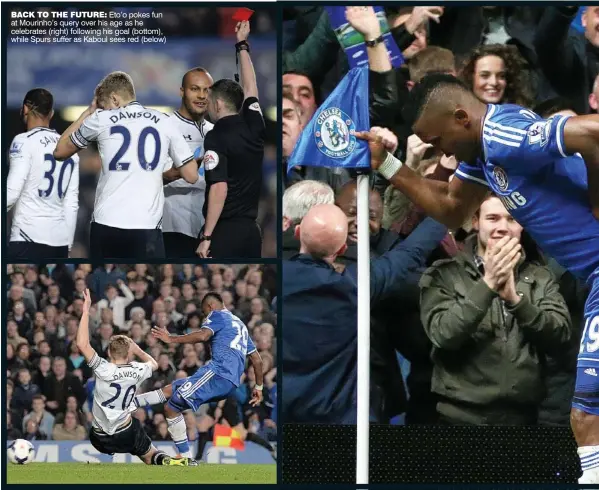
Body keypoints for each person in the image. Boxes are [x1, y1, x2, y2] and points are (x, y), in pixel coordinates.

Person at [358, 73, 599, 483]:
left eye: (436, 141)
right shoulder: (482, 156)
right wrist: (391, 166)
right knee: (587, 419)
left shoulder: (505, 135)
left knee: (586, 417)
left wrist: (597, 200)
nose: (437, 151)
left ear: (460, 118)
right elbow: (452, 208)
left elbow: (593, 133)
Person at [282, 203, 446, 423]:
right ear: (341, 250)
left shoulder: (279, 278)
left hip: (288, 414)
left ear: (298, 232)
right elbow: (411, 252)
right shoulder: (353, 285)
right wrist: (448, 208)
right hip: (342, 419)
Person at [420, 195, 571, 425]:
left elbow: (560, 337)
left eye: (511, 219)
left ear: (521, 225)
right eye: (493, 218)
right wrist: (488, 284)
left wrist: (515, 301)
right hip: (459, 418)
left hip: (523, 418)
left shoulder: (540, 276)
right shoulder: (445, 274)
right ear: (475, 222)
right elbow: (444, 335)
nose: (502, 227)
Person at [53, 71, 199, 259]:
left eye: (103, 106)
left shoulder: (101, 119)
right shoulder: (165, 121)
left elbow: (59, 151)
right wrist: (156, 175)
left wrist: (88, 112)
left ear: (114, 99)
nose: (102, 111)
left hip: (106, 224)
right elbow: (191, 175)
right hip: (146, 226)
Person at [134, 292, 264, 462]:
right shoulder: (240, 326)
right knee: (170, 389)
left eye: (204, 313)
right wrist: (259, 388)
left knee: (171, 408)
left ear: (210, 306)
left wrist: (171, 339)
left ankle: (185, 457)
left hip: (217, 373)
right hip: (230, 382)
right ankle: (130, 403)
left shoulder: (217, 315)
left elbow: (203, 336)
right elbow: (257, 360)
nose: (205, 318)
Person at [75, 288, 187, 466]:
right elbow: (154, 363)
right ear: (128, 354)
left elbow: (82, 343)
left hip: (99, 437)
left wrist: (86, 310)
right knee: (148, 453)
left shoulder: (102, 368)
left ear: (109, 354)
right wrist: (136, 348)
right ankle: (164, 460)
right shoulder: (137, 369)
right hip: (126, 432)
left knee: (108, 428)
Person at [196, 21, 265, 259]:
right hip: (252, 232)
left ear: (217, 104)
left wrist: (207, 237)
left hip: (224, 232)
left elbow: (219, 187)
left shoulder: (215, 137)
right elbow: (251, 87)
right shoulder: (255, 125)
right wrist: (242, 45)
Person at [7, 88, 79, 259]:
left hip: (28, 236)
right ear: (51, 113)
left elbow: (11, 193)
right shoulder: (70, 150)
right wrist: (67, 244)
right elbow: (71, 203)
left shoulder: (24, 141)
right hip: (60, 242)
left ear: (25, 109)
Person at [162, 67, 215, 257]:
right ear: (182, 91)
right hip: (172, 226)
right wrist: (178, 173)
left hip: (206, 230)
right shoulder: (164, 126)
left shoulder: (215, 131)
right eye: (195, 89)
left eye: (207, 90)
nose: (202, 96)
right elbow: (148, 178)